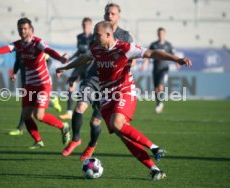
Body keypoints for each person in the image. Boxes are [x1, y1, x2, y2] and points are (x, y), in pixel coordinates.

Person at [56, 21, 192, 180]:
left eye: (97, 34)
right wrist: (65, 68)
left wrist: (176, 59)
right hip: (107, 97)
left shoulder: (125, 48)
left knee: (117, 124)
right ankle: (154, 169)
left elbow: (153, 53)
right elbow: (84, 59)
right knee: (124, 136)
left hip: (124, 91)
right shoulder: (96, 48)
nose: (94, 36)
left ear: (108, 35)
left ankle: (154, 147)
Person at [0, 18, 71, 149]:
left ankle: (63, 126)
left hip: (43, 83)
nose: (22, 31)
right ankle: (38, 141)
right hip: (30, 84)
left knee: (39, 115)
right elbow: (1, 50)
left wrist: (60, 58)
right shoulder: (18, 45)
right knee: (26, 115)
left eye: (25, 28)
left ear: (31, 30)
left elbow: (48, 50)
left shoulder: (38, 43)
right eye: (20, 29)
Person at [62, 4, 135, 161]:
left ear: (118, 16)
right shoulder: (97, 33)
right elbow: (86, 57)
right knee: (80, 106)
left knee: (95, 121)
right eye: (107, 13)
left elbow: (133, 59)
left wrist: (126, 67)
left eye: (113, 13)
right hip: (94, 78)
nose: (109, 15)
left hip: (111, 85)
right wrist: (74, 75)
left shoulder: (126, 36)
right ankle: (75, 139)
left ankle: (92, 145)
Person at [8, 53, 62, 136]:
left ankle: (20, 128)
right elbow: (18, 61)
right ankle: (52, 101)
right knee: (28, 108)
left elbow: (49, 60)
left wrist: (41, 71)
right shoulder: (19, 48)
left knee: (28, 108)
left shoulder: (35, 47)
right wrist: (14, 73)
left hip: (37, 81)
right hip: (26, 80)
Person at [59, 17, 93, 120]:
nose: (85, 27)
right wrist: (70, 59)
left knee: (90, 89)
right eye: (83, 25)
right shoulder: (79, 37)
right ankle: (69, 112)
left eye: (87, 25)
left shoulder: (94, 38)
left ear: (90, 26)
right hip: (79, 65)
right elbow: (79, 51)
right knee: (71, 87)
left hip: (90, 66)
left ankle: (94, 112)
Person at [140, 27, 176, 113]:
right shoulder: (154, 45)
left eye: (162, 34)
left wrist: (177, 62)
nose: (161, 35)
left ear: (165, 34)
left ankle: (160, 103)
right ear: (157, 34)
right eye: (159, 34)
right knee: (156, 89)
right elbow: (148, 55)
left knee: (160, 86)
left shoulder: (168, 45)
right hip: (155, 69)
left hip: (164, 69)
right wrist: (144, 64)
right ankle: (159, 103)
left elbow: (173, 55)